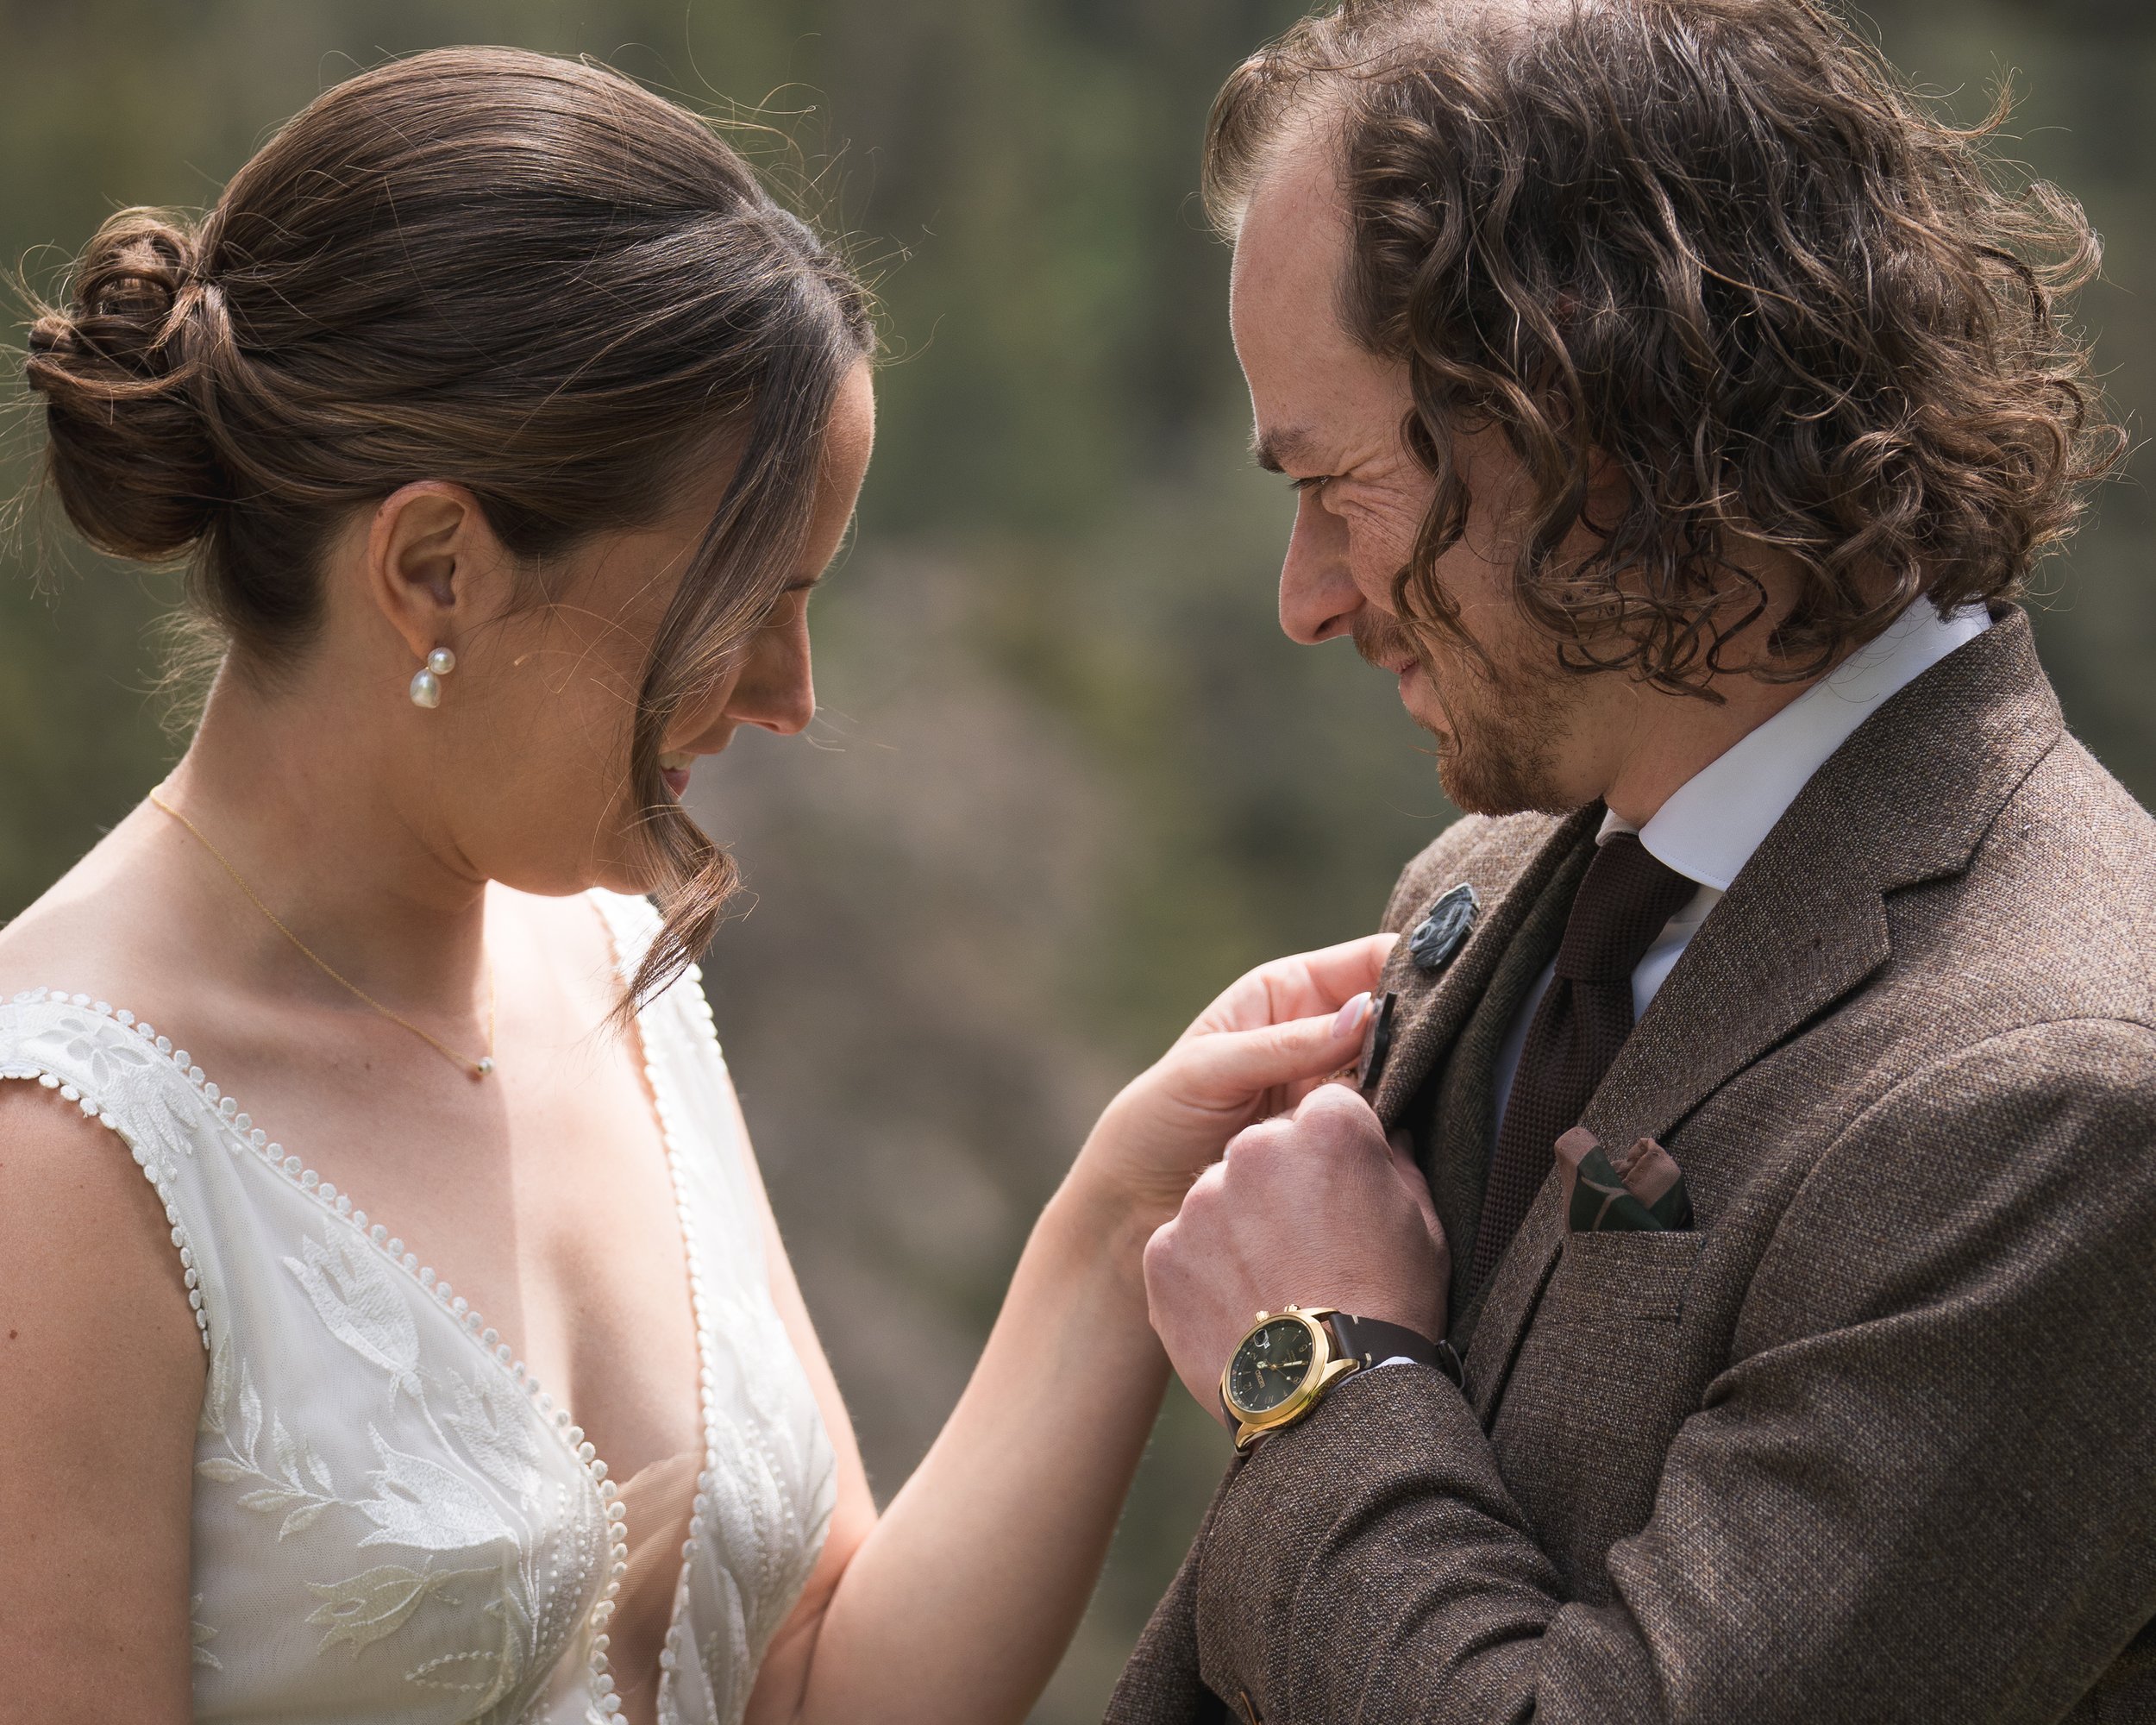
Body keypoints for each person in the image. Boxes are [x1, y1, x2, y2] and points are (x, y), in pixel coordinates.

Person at [0, 48, 1391, 1725]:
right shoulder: (59, 1160)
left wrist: (1117, 1224)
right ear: (434, 566)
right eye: (747, 598)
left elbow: (811, 1684)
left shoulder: (605, 960)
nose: (790, 694)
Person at [1119, 1, 2156, 1721]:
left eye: (1333, 485)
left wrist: (1313, 1364)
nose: (1300, 597)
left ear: (1587, 431)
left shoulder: (2057, 1110)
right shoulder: (1477, 890)